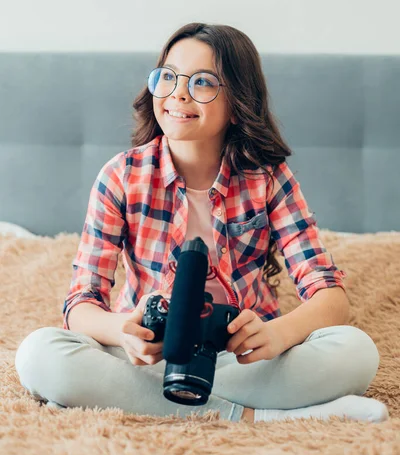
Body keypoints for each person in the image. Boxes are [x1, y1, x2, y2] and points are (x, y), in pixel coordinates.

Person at [15, 22, 389, 423]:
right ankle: (260, 416)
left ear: (238, 102)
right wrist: (124, 328)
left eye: (203, 82)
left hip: (244, 357)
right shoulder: (121, 176)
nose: (178, 93)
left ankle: (145, 398)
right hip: (150, 357)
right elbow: (80, 303)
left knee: (357, 351)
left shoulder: (268, 178)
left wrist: (279, 334)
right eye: (169, 77)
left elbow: (329, 296)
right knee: (38, 354)